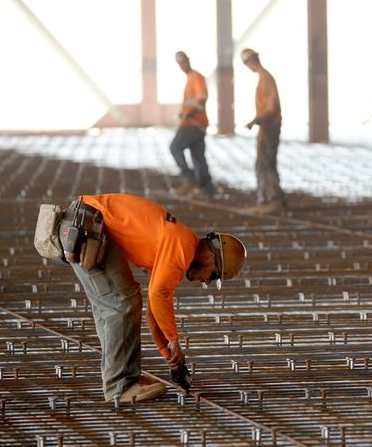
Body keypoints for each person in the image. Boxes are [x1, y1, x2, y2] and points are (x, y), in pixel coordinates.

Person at [58, 193, 247, 402]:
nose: (208, 282)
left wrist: (170, 357)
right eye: (214, 275)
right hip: (88, 228)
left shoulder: (182, 244)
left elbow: (155, 307)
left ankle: (124, 379)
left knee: (119, 304)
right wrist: (174, 341)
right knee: (123, 304)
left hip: (85, 225)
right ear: (210, 257)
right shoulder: (182, 248)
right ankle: (120, 387)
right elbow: (159, 295)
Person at [240, 48, 287, 214]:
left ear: (251, 61)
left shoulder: (265, 78)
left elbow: (271, 107)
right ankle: (266, 199)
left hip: (269, 126)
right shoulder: (263, 78)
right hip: (266, 125)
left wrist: (256, 119)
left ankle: (273, 200)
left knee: (266, 163)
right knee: (263, 163)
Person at [170, 51, 216, 198]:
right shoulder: (191, 78)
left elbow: (202, 97)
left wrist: (187, 112)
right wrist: (183, 112)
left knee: (175, 147)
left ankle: (189, 179)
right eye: (179, 63)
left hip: (194, 124)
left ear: (187, 61)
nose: (182, 66)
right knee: (198, 157)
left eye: (183, 62)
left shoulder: (196, 77)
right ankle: (206, 188)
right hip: (197, 124)